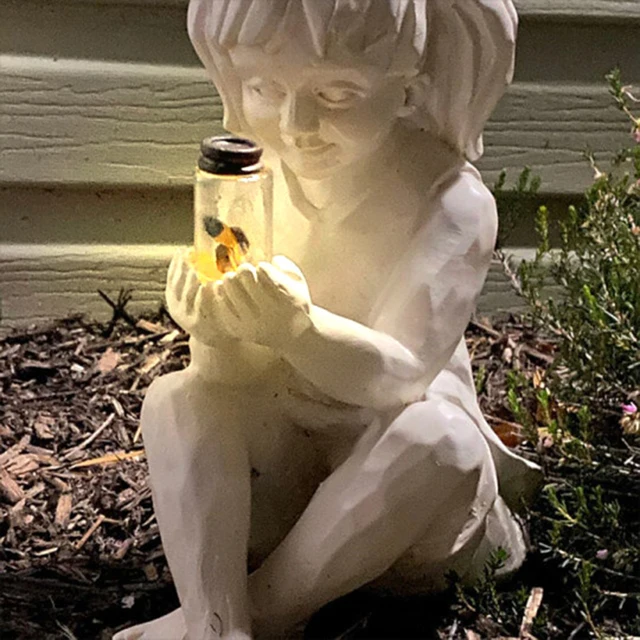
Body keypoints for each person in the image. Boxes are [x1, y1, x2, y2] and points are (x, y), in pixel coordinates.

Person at [114, 1, 540, 638]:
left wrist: (300, 329)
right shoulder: (247, 183)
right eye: (265, 88)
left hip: (403, 500)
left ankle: (262, 615)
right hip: (288, 474)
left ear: (410, 89)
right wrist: (216, 326)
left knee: (440, 440)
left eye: (337, 94)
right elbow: (229, 378)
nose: (296, 126)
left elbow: (400, 378)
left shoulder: (450, 201)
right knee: (178, 400)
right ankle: (214, 621)